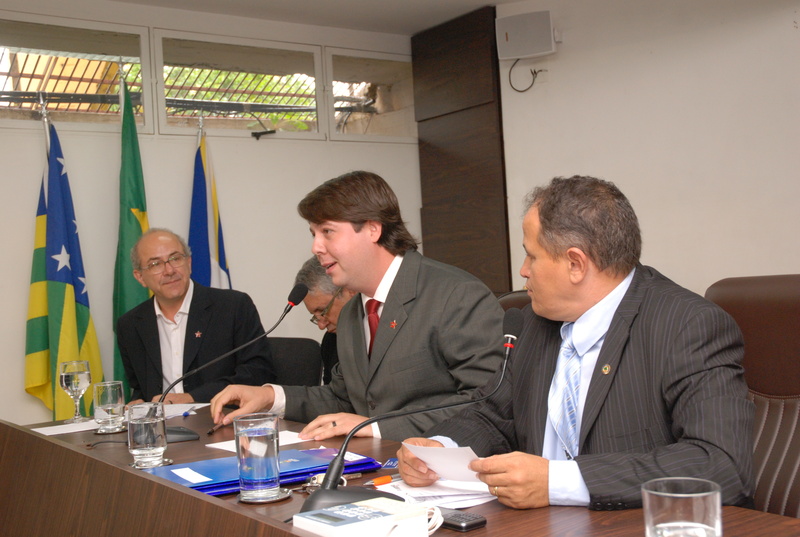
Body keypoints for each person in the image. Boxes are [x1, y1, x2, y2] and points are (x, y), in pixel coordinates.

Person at [397, 176, 754, 510]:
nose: (523, 270)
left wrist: (556, 482)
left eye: (532, 255)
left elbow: (721, 463)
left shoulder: (686, 325)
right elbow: (493, 415)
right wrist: (438, 448)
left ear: (575, 264)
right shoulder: (536, 321)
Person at [211, 171, 505, 442]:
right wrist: (270, 397)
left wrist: (374, 427)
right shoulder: (353, 311)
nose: (316, 247)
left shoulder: (455, 295)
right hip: (375, 463)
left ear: (373, 229)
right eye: (313, 234)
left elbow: (487, 401)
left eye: (327, 232)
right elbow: (345, 398)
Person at [117, 228, 274, 404]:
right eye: (155, 264)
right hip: (160, 420)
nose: (169, 270)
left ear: (189, 262)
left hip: (220, 415)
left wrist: (193, 398)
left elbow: (258, 373)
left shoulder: (233, 307)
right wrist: (139, 403)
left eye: (175, 259)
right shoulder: (130, 325)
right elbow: (141, 387)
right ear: (140, 277)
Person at [294, 256, 356, 384]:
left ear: (351, 291)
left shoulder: (386, 331)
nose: (321, 326)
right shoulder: (331, 341)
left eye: (323, 311)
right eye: (315, 316)